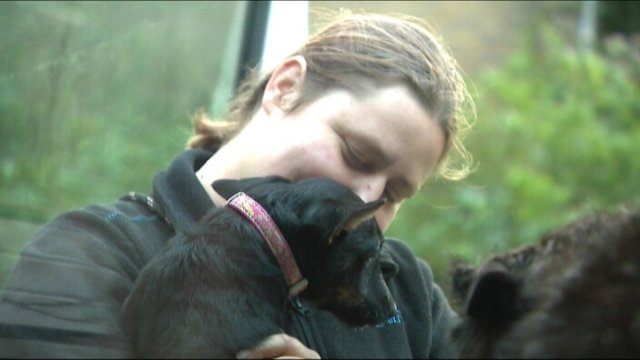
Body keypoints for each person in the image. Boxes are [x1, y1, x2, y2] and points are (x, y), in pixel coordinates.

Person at [0, 11, 475, 358]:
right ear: (285, 87)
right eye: (356, 154)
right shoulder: (93, 252)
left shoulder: (406, 291)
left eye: (394, 194)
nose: (366, 200)